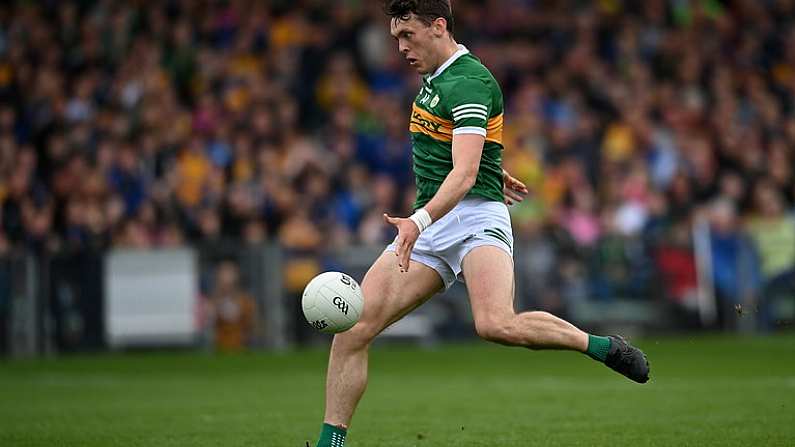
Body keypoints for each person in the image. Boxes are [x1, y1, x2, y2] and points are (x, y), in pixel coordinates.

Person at [313, 2, 650, 446]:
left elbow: (465, 175)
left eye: (408, 35)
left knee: (495, 325)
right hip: (436, 218)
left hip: (472, 218)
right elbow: (462, 151)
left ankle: (601, 346)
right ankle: (329, 445)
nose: (400, 47)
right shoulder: (434, 76)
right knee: (353, 328)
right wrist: (490, 164)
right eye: (396, 37)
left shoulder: (469, 80)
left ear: (438, 27)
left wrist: (422, 216)